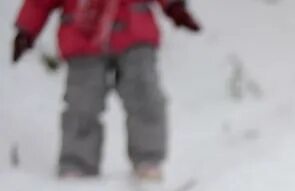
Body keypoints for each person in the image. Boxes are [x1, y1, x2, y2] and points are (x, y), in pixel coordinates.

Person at [11, 0, 202, 180]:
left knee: (145, 95)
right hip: (83, 34)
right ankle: (77, 164)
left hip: (134, 29)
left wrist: (175, 7)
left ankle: (148, 160)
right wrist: (26, 30)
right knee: (81, 104)